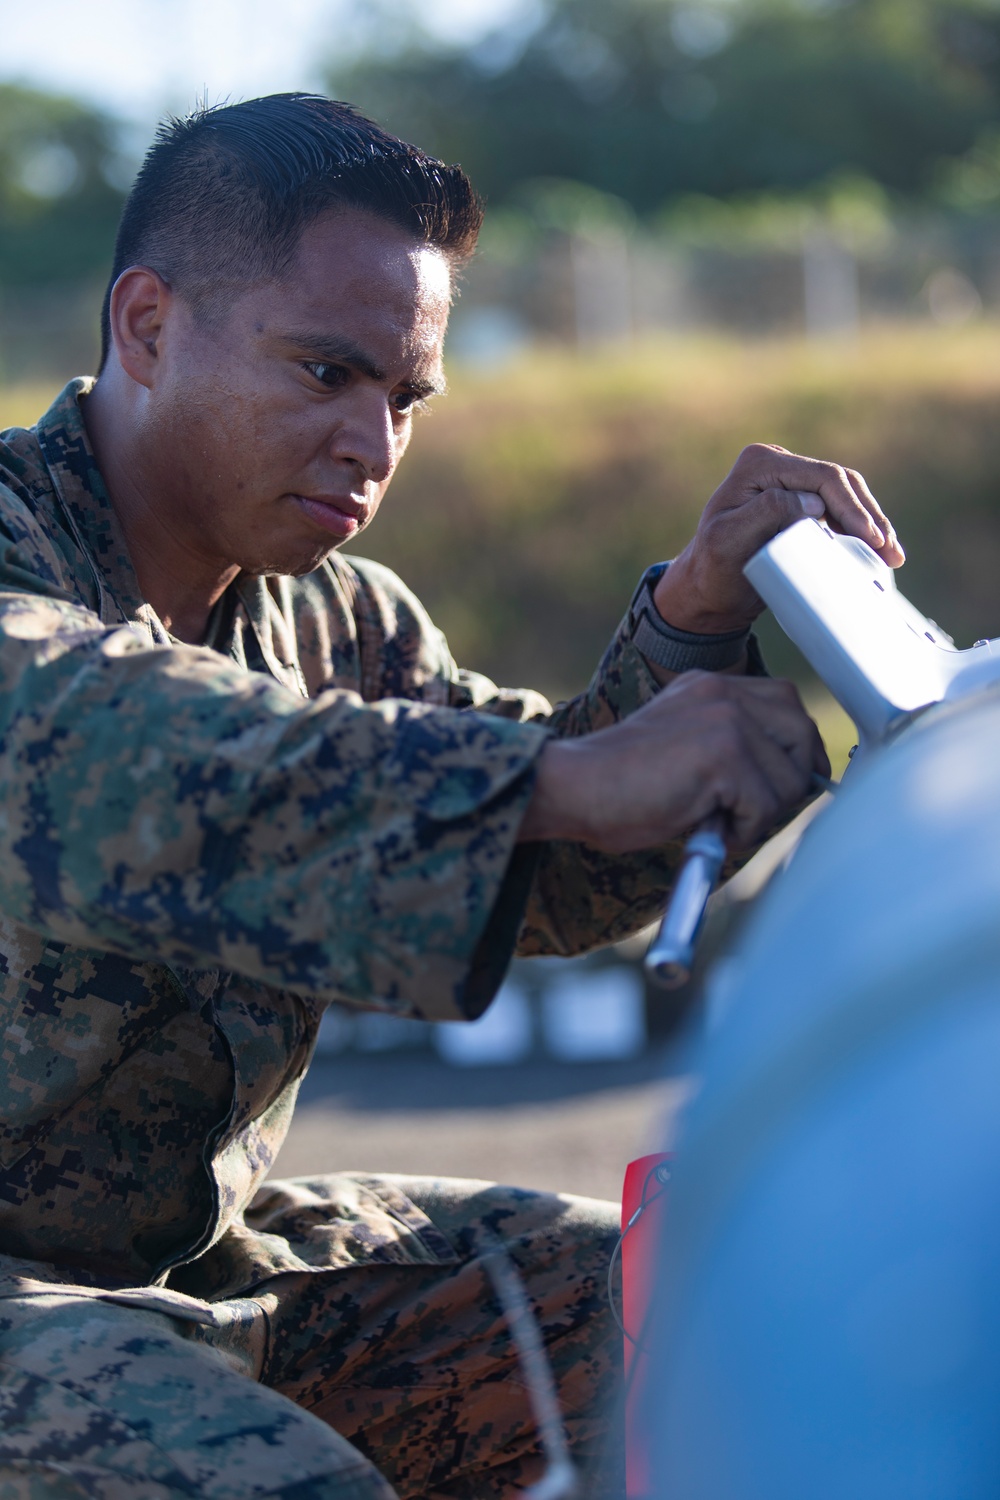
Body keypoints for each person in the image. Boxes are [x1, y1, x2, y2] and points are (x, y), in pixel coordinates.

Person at [0, 94, 901, 1500]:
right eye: (324, 373)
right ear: (147, 326)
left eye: (404, 398)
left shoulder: (334, 618)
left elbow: (555, 868)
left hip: (186, 1269)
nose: (372, 444)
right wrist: (563, 778)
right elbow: (118, 743)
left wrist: (693, 618)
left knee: (696, 1321)